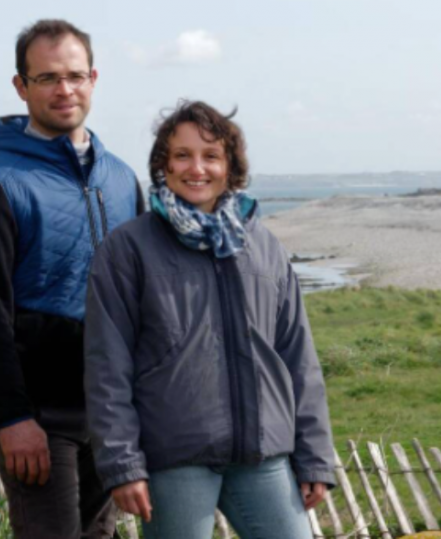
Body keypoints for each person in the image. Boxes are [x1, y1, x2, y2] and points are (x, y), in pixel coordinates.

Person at [84, 101, 336, 539]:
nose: (196, 168)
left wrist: (314, 454)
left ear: (230, 166)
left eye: (211, 156)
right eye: (182, 155)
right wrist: (122, 464)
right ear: (164, 164)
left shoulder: (264, 246)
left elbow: (298, 356)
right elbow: (107, 365)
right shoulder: (127, 249)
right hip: (173, 460)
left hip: (263, 455)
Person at [0, 19, 143, 538]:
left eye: (75, 75)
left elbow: (143, 298)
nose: (65, 89)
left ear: (94, 79)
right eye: (47, 78)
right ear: (21, 86)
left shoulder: (122, 180)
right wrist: (11, 417)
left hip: (111, 411)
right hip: (40, 416)